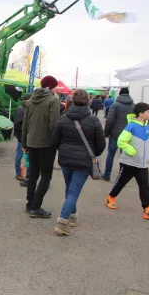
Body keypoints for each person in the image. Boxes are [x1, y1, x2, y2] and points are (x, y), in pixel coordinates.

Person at [52, 90, 106, 235]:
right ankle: (63, 222)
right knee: (73, 190)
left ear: (72, 101)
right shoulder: (93, 120)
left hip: (65, 159)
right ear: (88, 101)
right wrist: (94, 154)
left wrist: (63, 150)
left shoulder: (63, 118)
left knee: (69, 188)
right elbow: (101, 144)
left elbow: (55, 140)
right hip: (84, 161)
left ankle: (72, 216)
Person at [104, 103, 149, 221]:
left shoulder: (148, 126)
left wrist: (148, 153)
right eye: (148, 112)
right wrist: (132, 151)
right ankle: (110, 198)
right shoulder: (131, 126)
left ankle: (147, 209)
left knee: (145, 186)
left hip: (142, 164)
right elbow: (121, 142)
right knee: (121, 182)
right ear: (141, 114)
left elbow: (148, 142)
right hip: (129, 163)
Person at [22, 76, 61, 217]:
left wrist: (25, 142)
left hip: (31, 142)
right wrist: (57, 143)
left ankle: (29, 204)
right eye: (55, 86)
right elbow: (54, 124)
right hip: (46, 144)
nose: (57, 89)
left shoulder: (31, 99)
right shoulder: (53, 101)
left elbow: (25, 123)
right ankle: (35, 207)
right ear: (51, 87)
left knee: (33, 175)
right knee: (46, 176)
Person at [102, 88, 135, 181]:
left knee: (111, 154)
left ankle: (107, 174)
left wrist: (106, 133)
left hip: (115, 134)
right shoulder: (133, 106)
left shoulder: (115, 105)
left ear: (120, 94)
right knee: (124, 156)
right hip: (128, 134)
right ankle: (122, 177)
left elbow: (110, 120)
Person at [14, 93, 32, 181]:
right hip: (22, 138)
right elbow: (17, 124)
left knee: (26, 156)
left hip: (26, 137)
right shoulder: (21, 110)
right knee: (20, 155)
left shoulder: (26, 108)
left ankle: (27, 174)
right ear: (27, 100)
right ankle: (18, 173)